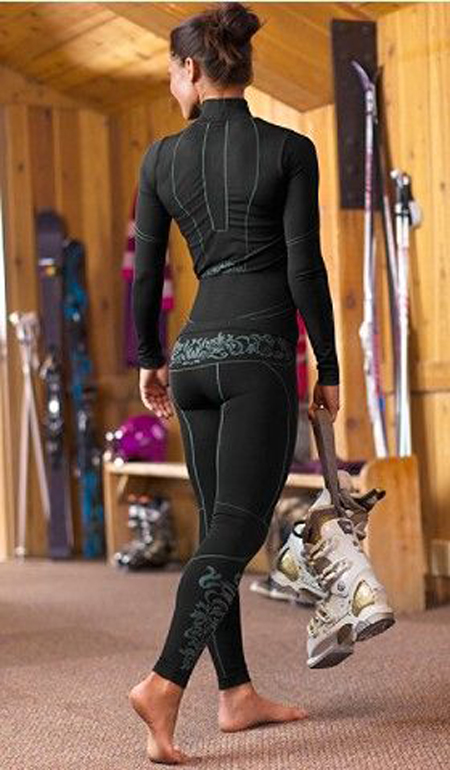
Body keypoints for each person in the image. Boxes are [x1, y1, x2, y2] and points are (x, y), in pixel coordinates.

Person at [128, 2, 340, 763]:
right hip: (257, 358)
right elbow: (304, 268)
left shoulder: (160, 159)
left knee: (219, 525)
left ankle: (237, 694)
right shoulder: (289, 149)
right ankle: (164, 682)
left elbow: (147, 273)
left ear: (191, 69)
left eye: (170, 72)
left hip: (192, 359)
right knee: (238, 531)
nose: (170, 84)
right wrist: (328, 365)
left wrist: (149, 357)